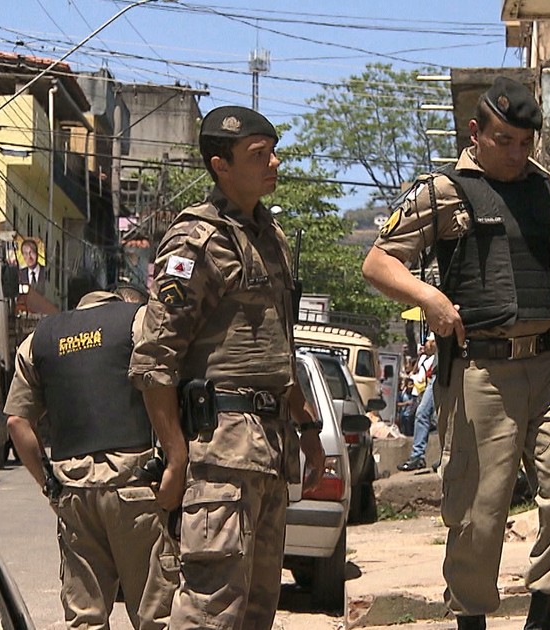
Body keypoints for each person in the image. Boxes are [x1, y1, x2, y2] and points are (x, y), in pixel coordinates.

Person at [363, 76, 550, 630]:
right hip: (482, 369)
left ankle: (546, 613)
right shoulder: (443, 191)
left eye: (525, 142)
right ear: (476, 132)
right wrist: (429, 297)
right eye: (504, 140)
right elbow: (378, 263)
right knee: (479, 512)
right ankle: (473, 618)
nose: (516, 153)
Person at [128, 105, 325, 630]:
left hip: (269, 450)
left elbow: (278, 354)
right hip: (218, 457)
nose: (274, 164)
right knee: (210, 609)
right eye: (259, 156)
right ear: (221, 165)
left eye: (273, 152)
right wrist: (173, 456)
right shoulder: (198, 239)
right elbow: (153, 360)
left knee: (257, 612)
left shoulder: (272, 238)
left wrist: (307, 429)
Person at [4, 287, 176, 630]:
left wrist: (50, 485)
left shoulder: (40, 338)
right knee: (156, 616)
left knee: (86, 619)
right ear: (121, 302)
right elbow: (162, 382)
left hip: (75, 493)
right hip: (136, 488)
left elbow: (17, 422)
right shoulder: (137, 320)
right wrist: (176, 461)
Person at [399, 333, 437, 472]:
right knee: (422, 413)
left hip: (444, 374)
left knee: (440, 417)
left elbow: (433, 346)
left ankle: (441, 456)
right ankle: (417, 456)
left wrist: (428, 346)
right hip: (436, 376)